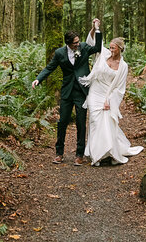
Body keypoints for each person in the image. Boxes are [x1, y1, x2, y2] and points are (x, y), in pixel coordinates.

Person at [32, 19, 102, 166]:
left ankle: (79, 154)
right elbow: (49, 68)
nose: (78, 44)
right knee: (62, 121)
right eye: (75, 43)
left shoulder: (83, 48)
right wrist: (38, 79)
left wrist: (96, 29)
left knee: (81, 123)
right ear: (68, 43)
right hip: (67, 92)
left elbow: (97, 47)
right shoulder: (59, 53)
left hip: (81, 92)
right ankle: (59, 153)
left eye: (78, 41)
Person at [79, 36, 143, 166]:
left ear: (120, 49)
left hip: (107, 95)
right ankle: (96, 154)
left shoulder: (123, 66)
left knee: (107, 122)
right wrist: (94, 29)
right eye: (110, 47)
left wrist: (109, 100)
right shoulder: (104, 54)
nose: (111, 50)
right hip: (95, 92)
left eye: (114, 48)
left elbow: (120, 88)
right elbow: (92, 42)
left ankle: (109, 151)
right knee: (95, 121)